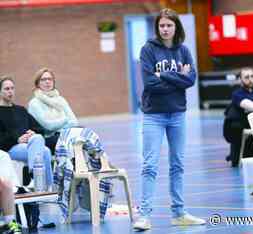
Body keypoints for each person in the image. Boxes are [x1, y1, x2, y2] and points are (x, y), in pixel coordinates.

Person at [133, 8, 206, 231]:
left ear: (176, 27)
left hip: (177, 114)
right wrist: (178, 77)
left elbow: (191, 80)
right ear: (157, 28)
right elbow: (149, 83)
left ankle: (179, 213)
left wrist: (163, 74)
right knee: (149, 165)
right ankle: (144, 216)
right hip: (153, 115)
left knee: (178, 165)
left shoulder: (183, 51)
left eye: (169, 25)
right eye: (162, 26)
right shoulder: (148, 50)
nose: (165, 29)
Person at [27, 67, 112, 222]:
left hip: (68, 136)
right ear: (37, 83)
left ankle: (94, 185)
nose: (47, 82)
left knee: (86, 143)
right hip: (49, 139)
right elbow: (47, 126)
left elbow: (74, 121)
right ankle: (68, 192)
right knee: (72, 148)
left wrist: (62, 123)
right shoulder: (34, 103)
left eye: (50, 79)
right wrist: (64, 120)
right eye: (43, 80)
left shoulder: (61, 99)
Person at [0, 76, 53, 189]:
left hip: (30, 145)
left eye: (12, 88)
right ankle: (37, 178)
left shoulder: (21, 110)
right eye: (7, 89)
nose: (10, 91)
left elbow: (39, 128)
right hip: (11, 148)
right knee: (45, 151)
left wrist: (32, 133)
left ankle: (46, 186)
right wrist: (17, 139)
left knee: (42, 145)